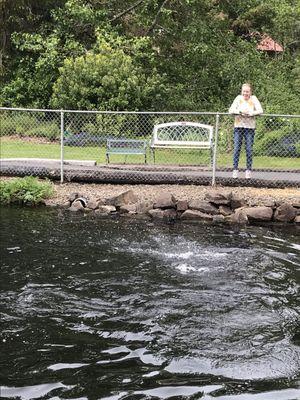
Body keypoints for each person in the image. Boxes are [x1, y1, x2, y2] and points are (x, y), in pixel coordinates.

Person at [229, 83, 263, 179]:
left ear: (250, 92)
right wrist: (239, 112)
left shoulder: (254, 99)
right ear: (241, 91)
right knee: (236, 149)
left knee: (249, 149)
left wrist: (251, 113)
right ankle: (235, 169)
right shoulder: (238, 98)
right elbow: (231, 110)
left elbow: (260, 110)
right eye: (244, 91)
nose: (245, 93)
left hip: (249, 128)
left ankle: (248, 170)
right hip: (238, 127)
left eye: (247, 91)